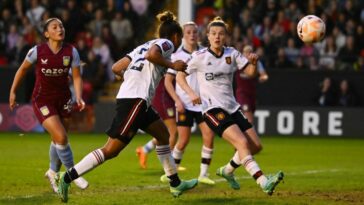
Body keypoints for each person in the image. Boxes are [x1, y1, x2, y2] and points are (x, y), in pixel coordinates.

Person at [56, 11, 197, 202]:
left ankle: (175, 183)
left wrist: (129, 77)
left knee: (164, 135)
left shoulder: (140, 46)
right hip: (135, 100)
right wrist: (173, 64)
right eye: (180, 37)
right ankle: (68, 177)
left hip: (138, 101)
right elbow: (152, 55)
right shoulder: (167, 44)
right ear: (175, 36)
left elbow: (116, 67)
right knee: (111, 150)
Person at [176, 17, 284, 195]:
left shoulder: (232, 54)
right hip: (212, 109)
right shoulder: (199, 57)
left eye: (221, 34)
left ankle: (227, 170)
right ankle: (263, 181)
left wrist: (253, 63)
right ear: (208, 37)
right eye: (213, 34)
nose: (217, 37)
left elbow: (249, 73)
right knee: (241, 142)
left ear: (226, 37)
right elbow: (180, 76)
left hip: (232, 107)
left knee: (255, 146)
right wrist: (191, 93)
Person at [8, 18, 88, 193]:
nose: (60, 29)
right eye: (55, 27)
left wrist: (79, 97)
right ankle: (72, 173)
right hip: (42, 99)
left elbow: (76, 77)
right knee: (61, 137)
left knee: (58, 138)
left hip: (64, 99)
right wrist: (13, 91)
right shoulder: (37, 51)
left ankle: (52, 171)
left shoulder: (71, 51)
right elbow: (22, 70)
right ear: (47, 34)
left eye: (61, 26)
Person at [162, 22, 215, 185]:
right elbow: (168, 82)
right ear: (183, 36)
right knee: (183, 140)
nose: (192, 35)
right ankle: (171, 173)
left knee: (209, 135)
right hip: (184, 104)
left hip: (203, 104)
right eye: (189, 32)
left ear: (198, 35)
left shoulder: (205, 53)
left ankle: (203, 174)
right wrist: (177, 100)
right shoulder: (177, 55)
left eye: (195, 32)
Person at [135, 76, 179, 170]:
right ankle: (170, 164)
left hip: (165, 99)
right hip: (163, 99)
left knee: (164, 133)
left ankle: (144, 150)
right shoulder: (168, 63)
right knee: (173, 132)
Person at [234, 45, 268, 124]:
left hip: (252, 94)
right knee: (248, 114)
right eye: (246, 52)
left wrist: (262, 78)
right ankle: (249, 134)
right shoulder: (239, 62)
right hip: (242, 93)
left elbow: (265, 75)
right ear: (242, 53)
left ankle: (243, 132)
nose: (248, 54)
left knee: (249, 115)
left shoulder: (257, 63)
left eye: (250, 52)